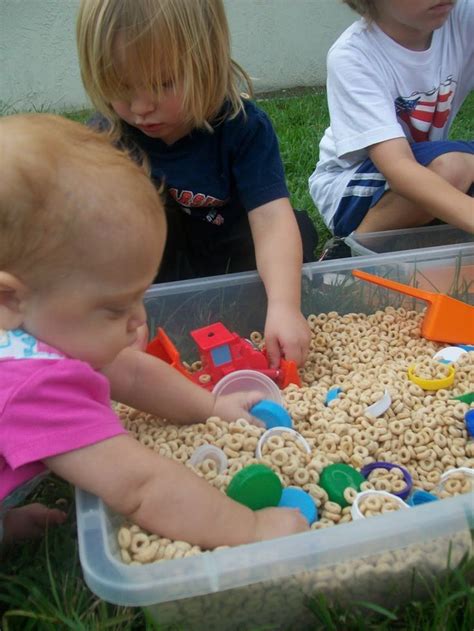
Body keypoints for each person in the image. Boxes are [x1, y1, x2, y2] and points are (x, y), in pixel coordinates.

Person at [0, 114, 308, 547]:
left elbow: (132, 373)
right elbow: (141, 487)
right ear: (9, 300)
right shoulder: (30, 382)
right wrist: (251, 529)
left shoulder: (39, 327)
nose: (138, 319)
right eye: (112, 308)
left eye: (139, 295)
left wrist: (212, 408)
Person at [76, 0, 318, 370]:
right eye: (121, 87)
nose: (140, 107)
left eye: (162, 83)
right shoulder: (108, 136)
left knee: (295, 230)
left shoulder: (242, 127)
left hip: (230, 257)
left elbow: (270, 219)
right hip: (157, 262)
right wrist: (121, 307)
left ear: (207, 62)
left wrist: (285, 307)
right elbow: (98, 239)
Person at [309, 0, 474, 240]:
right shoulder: (353, 56)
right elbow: (398, 168)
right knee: (454, 168)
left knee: (456, 167)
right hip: (351, 187)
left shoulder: (462, 16)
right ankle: (352, 249)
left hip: (429, 165)